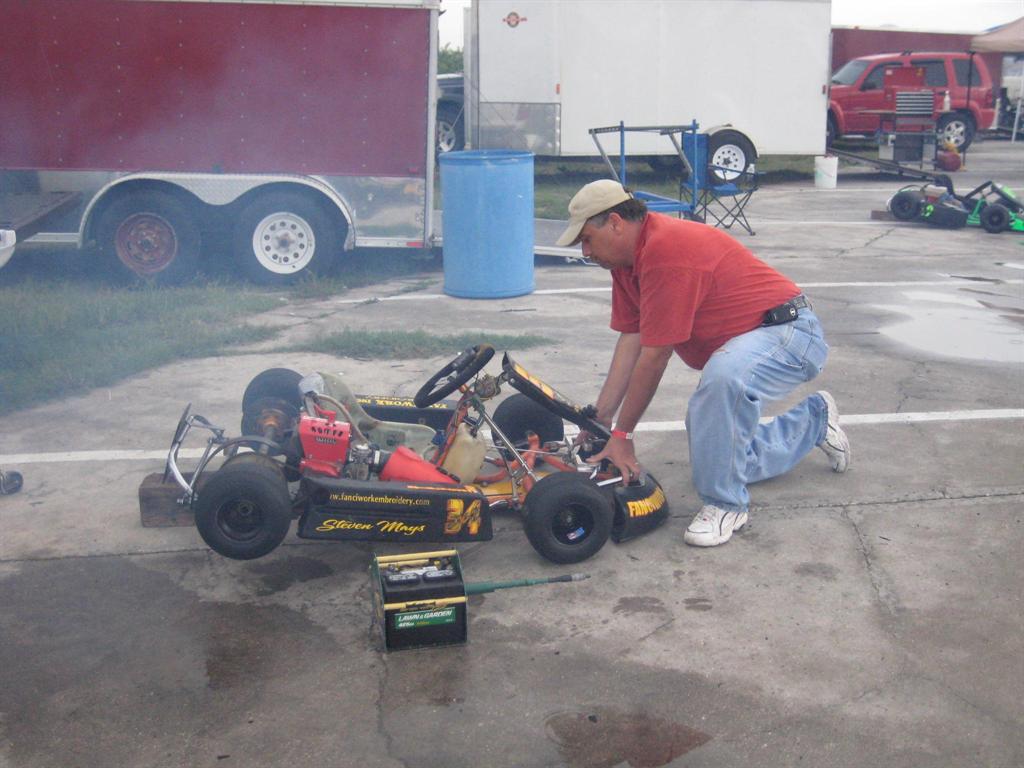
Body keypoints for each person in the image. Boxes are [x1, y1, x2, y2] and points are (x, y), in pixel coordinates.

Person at [556, 180, 850, 548]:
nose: (585, 252)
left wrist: (623, 436)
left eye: (587, 239)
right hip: (752, 340)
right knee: (718, 449)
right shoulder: (625, 263)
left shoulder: (666, 249)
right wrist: (601, 418)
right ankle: (813, 420)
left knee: (723, 380)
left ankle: (726, 505)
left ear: (615, 222)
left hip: (791, 333)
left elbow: (655, 354)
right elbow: (632, 338)